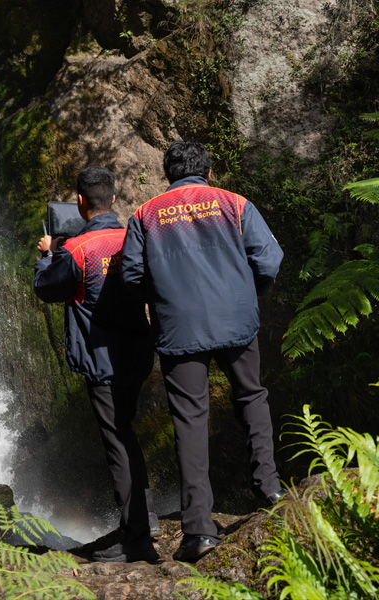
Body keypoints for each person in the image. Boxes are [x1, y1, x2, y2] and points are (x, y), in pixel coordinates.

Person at [121, 141, 286, 563]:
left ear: (168, 174)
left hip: (179, 325)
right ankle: (270, 488)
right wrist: (247, 291)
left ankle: (199, 531)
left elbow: (132, 275)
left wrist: (161, 301)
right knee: (251, 396)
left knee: (190, 420)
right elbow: (269, 260)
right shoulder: (235, 203)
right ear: (209, 171)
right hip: (235, 316)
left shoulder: (145, 214)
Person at [33, 167, 159, 563]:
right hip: (138, 354)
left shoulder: (76, 249)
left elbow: (47, 287)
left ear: (80, 203)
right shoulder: (134, 238)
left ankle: (137, 539)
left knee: (117, 443)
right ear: (114, 199)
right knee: (126, 434)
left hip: (102, 361)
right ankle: (146, 517)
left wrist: (46, 255)